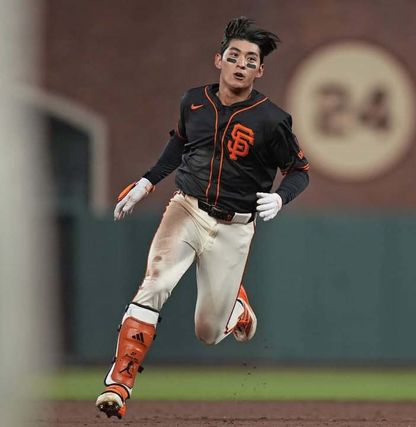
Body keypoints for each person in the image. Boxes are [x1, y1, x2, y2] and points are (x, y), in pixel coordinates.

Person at [95, 16, 310, 419]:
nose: (241, 64)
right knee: (154, 284)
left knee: (208, 334)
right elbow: (179, 143)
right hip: (188, 207)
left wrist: (281, 198)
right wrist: (147, 181)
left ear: (260, 70)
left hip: (235, 227)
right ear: (219, 60)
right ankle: (119, 385)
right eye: (234, 56)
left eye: (251, 60)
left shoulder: (271, 119)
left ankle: (236, 308)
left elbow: (299, 170)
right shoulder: (194, 101)